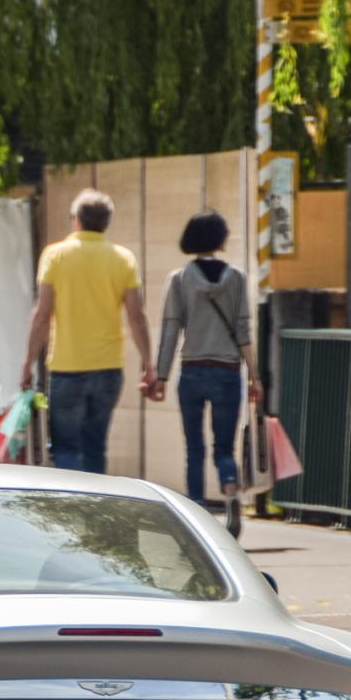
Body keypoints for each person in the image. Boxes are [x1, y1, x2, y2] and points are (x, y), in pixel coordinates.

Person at [21, 188, 153, 475]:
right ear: (106, 222)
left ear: (76, 220)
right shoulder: (123, 259)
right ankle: (94, 513)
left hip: (67, 368)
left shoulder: (54, 255)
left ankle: (70, 512)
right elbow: (137, 317)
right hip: (108, 369)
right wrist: (148, 364)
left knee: (66, 448)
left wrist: (27, 364)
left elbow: (42, 316)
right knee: (95, 447)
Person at [149, 210, 263, 507]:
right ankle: (230, 491)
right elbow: (243, 330)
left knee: (194, 447)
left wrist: (160, 376)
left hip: (192, 372)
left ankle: (196, 505)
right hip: (227, 372)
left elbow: (171, 329)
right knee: (224, 447)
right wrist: (254, 376)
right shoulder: (237, 278)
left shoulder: (179, 279)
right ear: (221, 239)